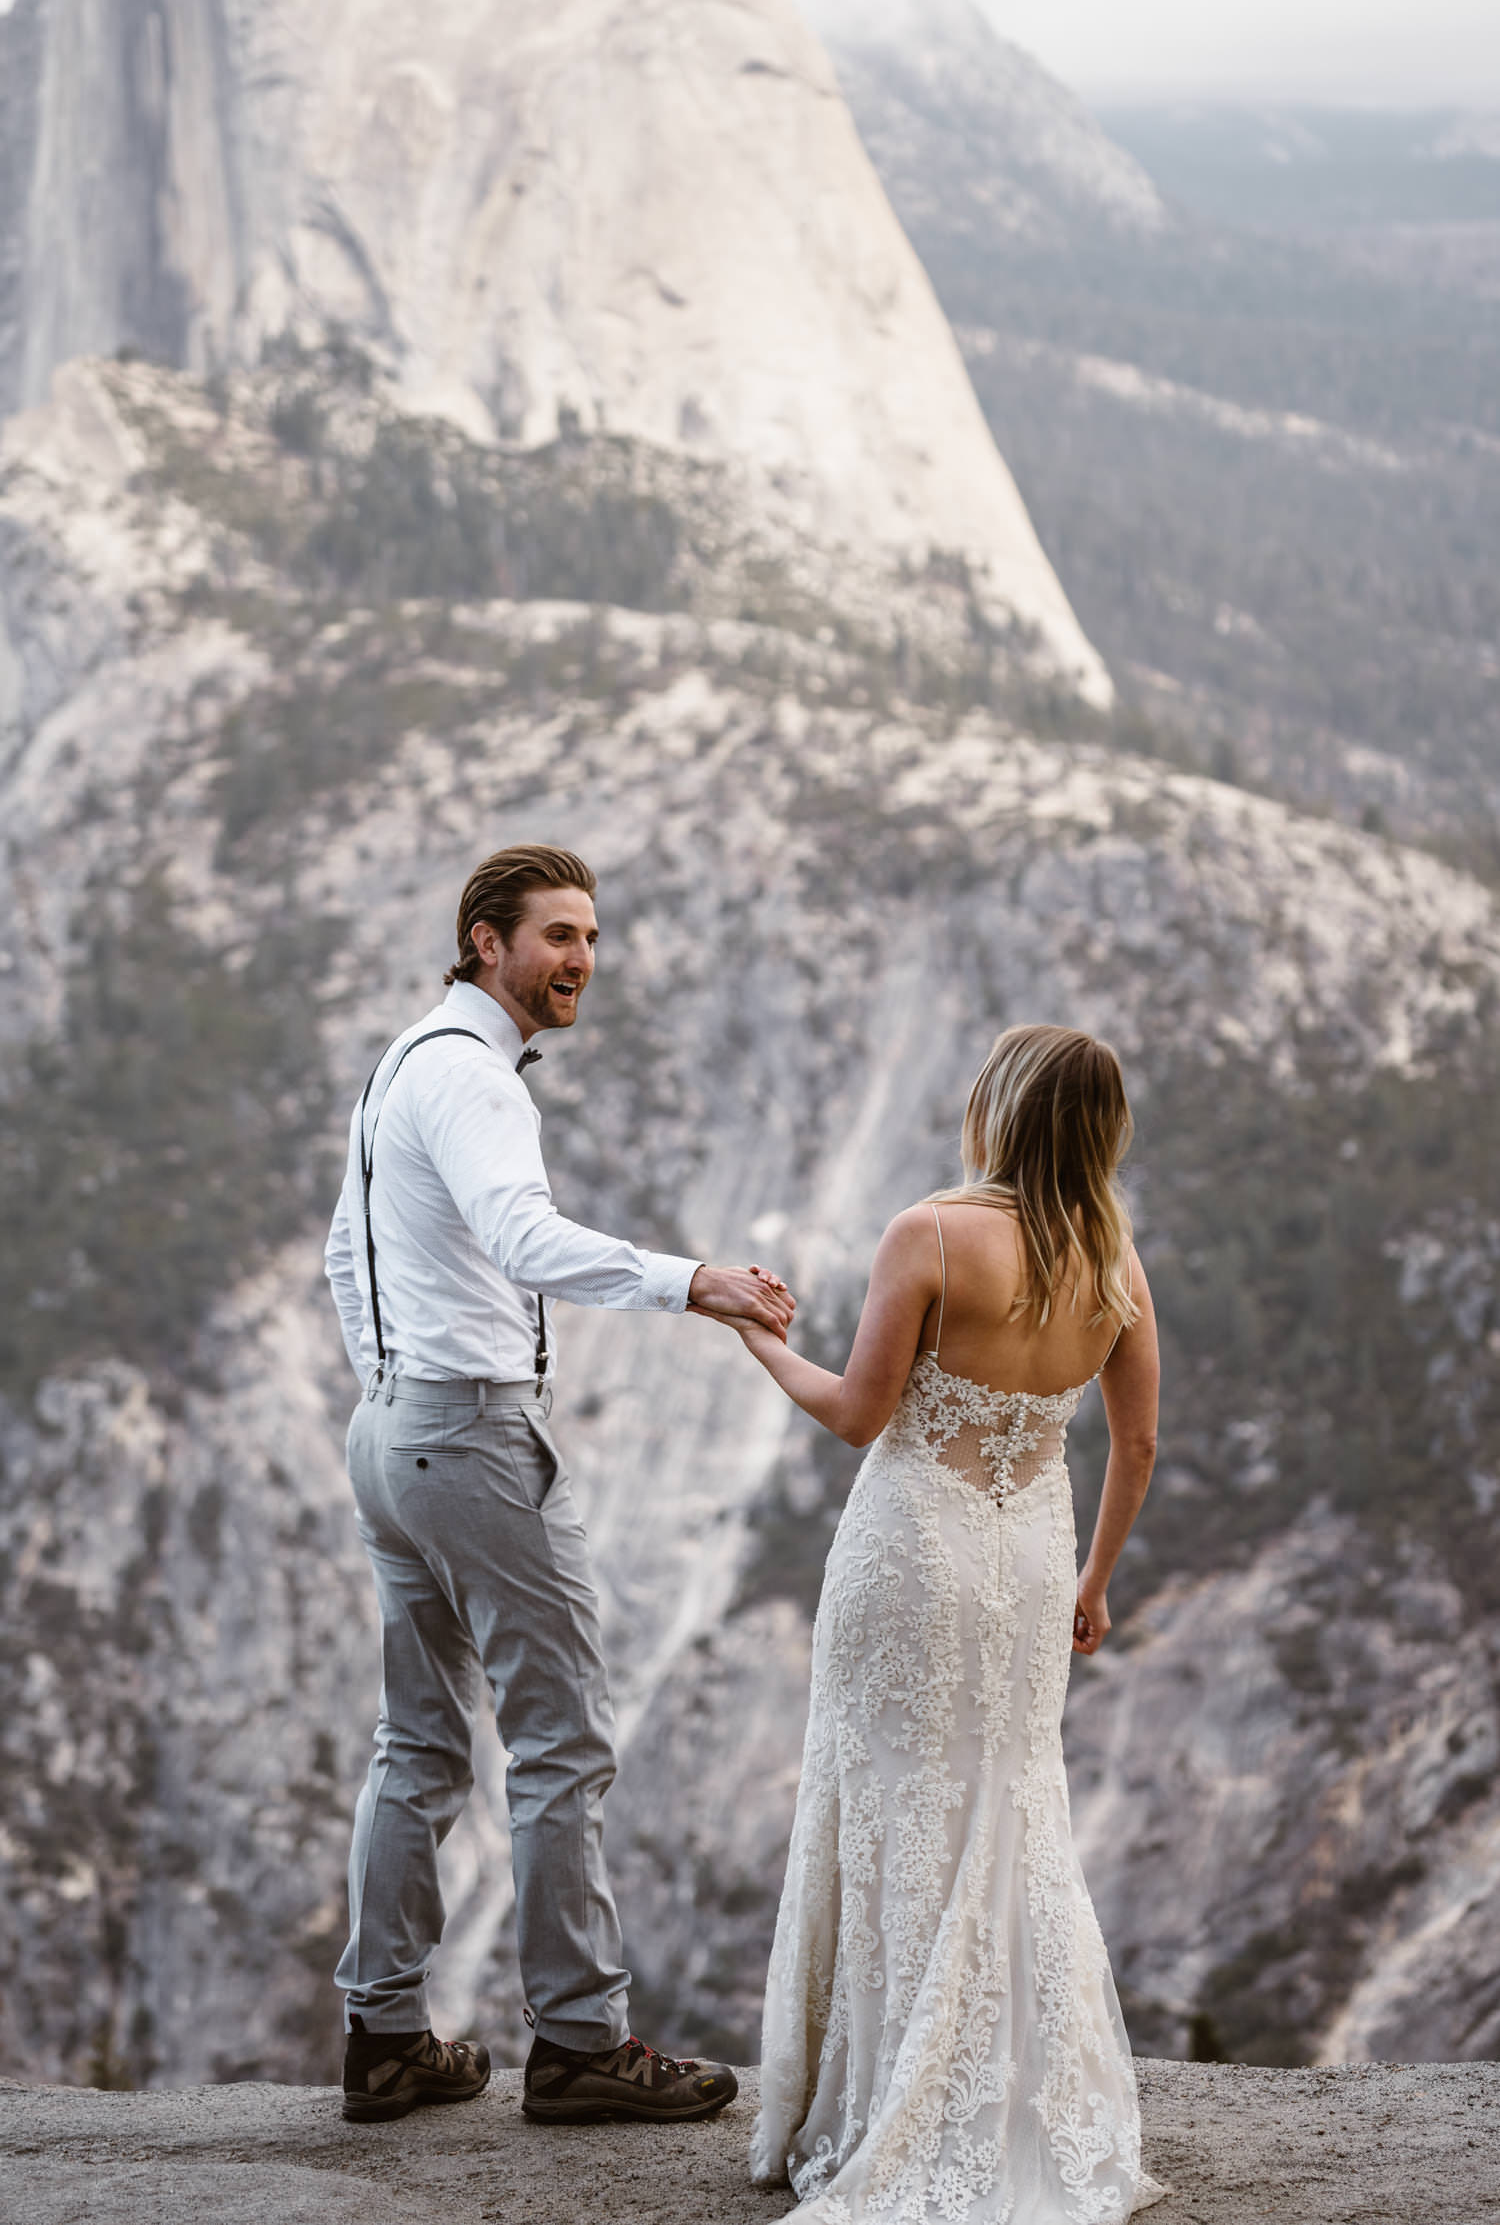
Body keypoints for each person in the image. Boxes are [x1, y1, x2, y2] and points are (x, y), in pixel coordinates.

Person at [323, 843, 794, 2127]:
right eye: (556, 937)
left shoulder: (404, 1061)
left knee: (416, 1745)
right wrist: (692, 1279)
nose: (581, 959)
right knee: (560, 1743)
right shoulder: (474, 1081)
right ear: (487, 941)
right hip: (468, 1438)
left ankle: (382, 2039)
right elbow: (524, 1240)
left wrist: (391, 1393)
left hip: (395, 1432)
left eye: (591, 936)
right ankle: (582, 2044)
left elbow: (341, 1251)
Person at [723, 1024, 1164, 2219]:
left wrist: (762, 1340)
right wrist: (1097, 1582)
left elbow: (859, 1415)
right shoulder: (1115, 1263)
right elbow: (1136, 1443)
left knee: (893, 1799)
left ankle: (887, 2099)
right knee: (1010, 1799)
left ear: (1000, 1111)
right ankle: (1016, 2092)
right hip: (1031, 1563)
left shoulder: (929, 1233)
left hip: (912, 1550)